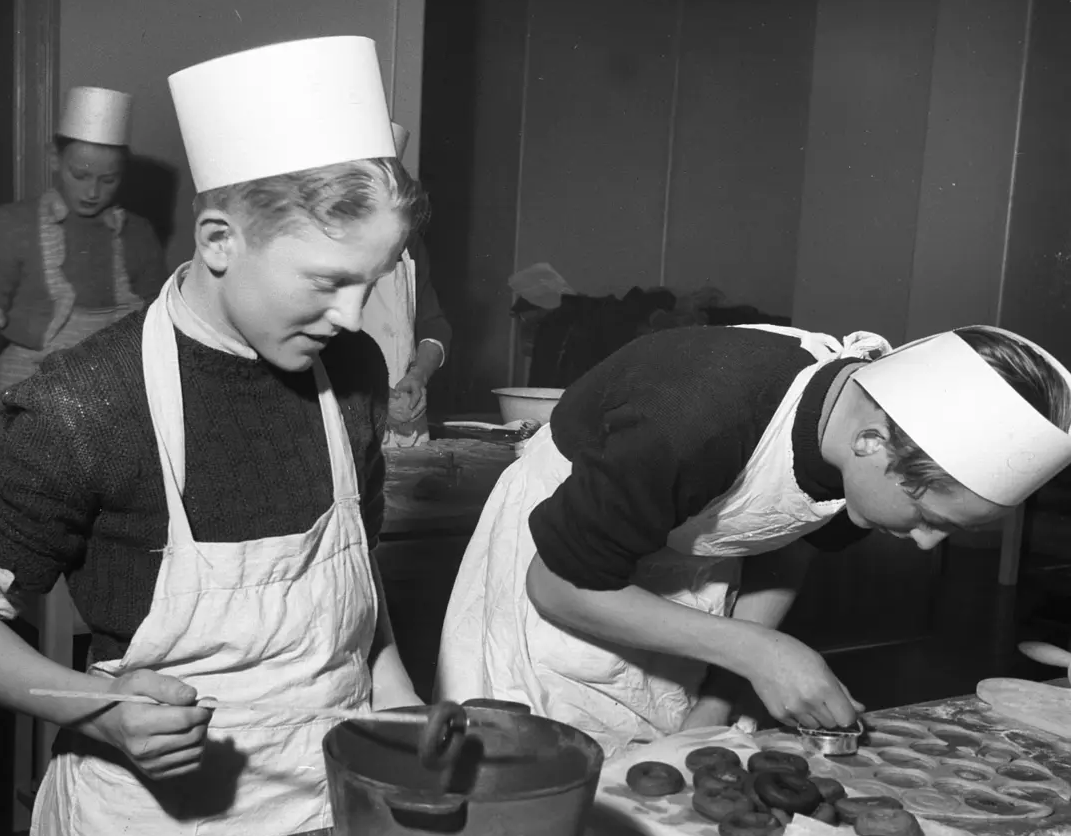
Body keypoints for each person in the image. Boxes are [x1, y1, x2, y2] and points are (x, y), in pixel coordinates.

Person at [0, 36, 426, 836]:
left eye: (372, 281)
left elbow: (358, 587)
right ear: (220, 238)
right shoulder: (87, 404)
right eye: (328, 279)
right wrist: (99, 707)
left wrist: (402, 722)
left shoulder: (354, 374)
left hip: (326, 810)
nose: (352, 313)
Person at [435, 322, 1071, 759]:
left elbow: (787, 538)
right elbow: (559, 585)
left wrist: (710, 708)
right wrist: (760, 652)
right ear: (873, 442)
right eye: (932, 517)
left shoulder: (855, 446)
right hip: (561, 573)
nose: (928, 544)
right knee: (538, 783)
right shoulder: (693, 415)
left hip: (692, 575)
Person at [0, 86, 166, 449]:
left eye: (108, 179)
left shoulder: (138, 234)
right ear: (54, 158)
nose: (93, 192)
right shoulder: (14, 226)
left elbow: (159, 334)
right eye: (79, 174)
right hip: (23, 394)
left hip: (112, 398)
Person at [360, 122, 452, 447]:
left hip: (408, 420)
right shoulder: (333, 255)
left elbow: (434, 325)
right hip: (352, 419)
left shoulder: (410, 245)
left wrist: (417, 375)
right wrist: (376, 398)